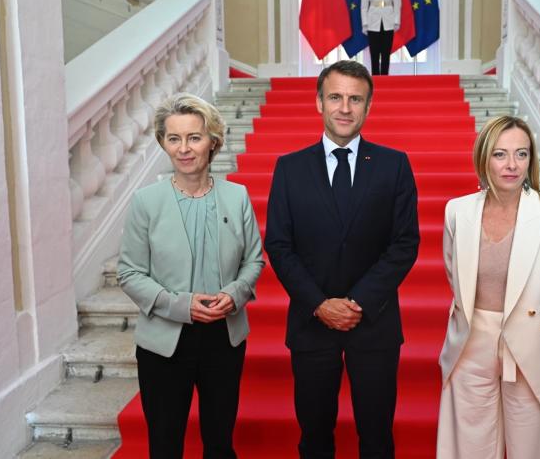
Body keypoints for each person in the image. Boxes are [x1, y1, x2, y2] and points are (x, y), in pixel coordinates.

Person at [264, 60, 419, 459]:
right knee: (314, 437)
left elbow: (404, 244)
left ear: (368, 107)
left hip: (375, 322)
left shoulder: (394, 165)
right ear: (319, 102)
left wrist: (358, 303)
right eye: (335, 97)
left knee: (377, 437)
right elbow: (280, 246)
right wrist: (319, 304)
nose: (345, 108)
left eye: (355, 99)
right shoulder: (289, 168)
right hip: (311, 323)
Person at [117, 92, 264, 459]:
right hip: (165, 342)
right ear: (163, 143)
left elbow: (254, 261)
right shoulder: (145, 202)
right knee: (165, 446)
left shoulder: (237, 196)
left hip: (224, 337)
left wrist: (235, 293)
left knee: (219, 443)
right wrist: (181, 305)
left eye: (194, 137)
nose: (184, 148)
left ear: (212, 141)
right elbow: (130, 272)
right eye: (174, 138)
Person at [436, 116, 540, 459]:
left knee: (532, 448)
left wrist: (537, 323)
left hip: (534, 345)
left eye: (521, 154)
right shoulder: (457, 211)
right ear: (484, 158)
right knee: (470, 445)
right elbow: (454, 274)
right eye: (500, 154)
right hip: (472, 341)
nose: (512, 165)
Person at [361, 0, 401, 75]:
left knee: (386, 52)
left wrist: (396, 21)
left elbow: (397, 1)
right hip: (373, 21)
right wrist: (365, 23)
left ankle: (385, 77)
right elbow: (364, 5)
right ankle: (375, 78)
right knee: (374, 53)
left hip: (388, 20)